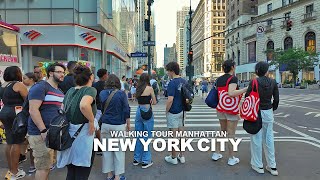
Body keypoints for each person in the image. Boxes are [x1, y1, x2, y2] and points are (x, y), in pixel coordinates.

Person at [57, 65, 97, 180]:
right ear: (91, 77)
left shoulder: (70, 90)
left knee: (71, 170)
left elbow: (62, 108)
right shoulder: (90, 90)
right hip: (84, 135)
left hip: (68, 134)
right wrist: (91, 120)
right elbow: (84, 105)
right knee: (82, 171)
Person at [28, 63, 65, 180]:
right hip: (40, 133)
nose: (62, 75)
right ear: (50, 73)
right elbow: (33, 110)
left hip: (52, 133)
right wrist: (43, 130)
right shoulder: (40, 87)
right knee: (42, 167)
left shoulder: (58, 90)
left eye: (63, 72)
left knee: (47, 166)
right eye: (59, 72)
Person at [212, 60, 247, 166]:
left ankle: (216, 153)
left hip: (221, 107)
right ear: (232, 67)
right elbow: (231, 93)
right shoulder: (233, 78)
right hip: (231, 109)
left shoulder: (219, 79)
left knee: (222, 131)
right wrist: (246, 89)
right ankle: (231, 157)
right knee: (231, 133)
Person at [246, 62, 279, 176]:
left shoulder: (254, 82)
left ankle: (258, 165)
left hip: (256, 112)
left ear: (257, 71)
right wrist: (271, 108)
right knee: (269, 138)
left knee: (256, 138)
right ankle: (272, 166)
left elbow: (247, 97)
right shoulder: (273, 82)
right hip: (268, 111)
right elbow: (276, 99)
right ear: (266, 71)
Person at [100, 74, 130, 180]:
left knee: (107, 150)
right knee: (119, 151)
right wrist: (128, 124)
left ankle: (109, 175)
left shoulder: (102, 93)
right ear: (118, 83)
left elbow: (101, 109)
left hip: (105, 124)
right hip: (118, 125)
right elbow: (126, 109)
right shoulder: (121, 94)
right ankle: (117, 176)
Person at [0, 66, 28, 179]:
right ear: (18, 73)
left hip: (4, 112)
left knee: (9, 141)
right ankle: (15, 171)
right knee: (16, 142)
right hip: (16, 114)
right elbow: (28, 99)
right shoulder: (18, 85)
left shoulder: (3, 85)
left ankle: (11, 169)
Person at [164, 62, 187, 165]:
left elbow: (170, 100)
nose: (168, 73)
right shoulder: (184, 81)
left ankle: (173, 157)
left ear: (172, 71)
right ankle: (181, 156)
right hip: (182, 111)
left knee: (173, 136)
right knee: (181, 134)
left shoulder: (172, 83)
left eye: (168, 71)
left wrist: (166, 110)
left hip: (173, 111)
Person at [133, 73, 157, 169]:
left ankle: (136, 159)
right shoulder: (149, 88)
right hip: (147, 111)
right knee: (147, 136)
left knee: (138, 135)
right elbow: (154, 102)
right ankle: (146, 161)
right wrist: (151, 101)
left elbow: (136, 99)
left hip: (138, 112)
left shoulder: (137, 88)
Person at [22, 72, 38, 174]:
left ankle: (33, 165)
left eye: (25, 78)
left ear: (31, 79)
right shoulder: (25, 88)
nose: (23, 80)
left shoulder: (35, 89)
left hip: (30, 119)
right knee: (27, 141)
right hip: (26, 118)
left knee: (32, 143)